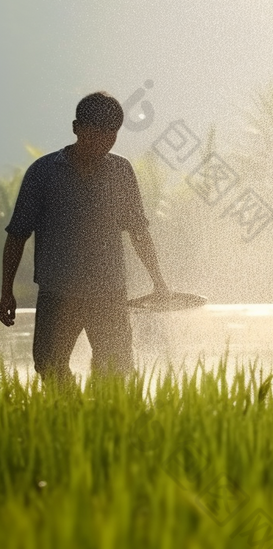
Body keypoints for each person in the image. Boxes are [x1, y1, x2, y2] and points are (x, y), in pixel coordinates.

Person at [0, 91, 169, 381]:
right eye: (95, 134)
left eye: (111, 135)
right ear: (77, 128)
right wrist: (6, 290)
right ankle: (73, 416)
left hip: (109, 294)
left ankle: (104, 423)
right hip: (58, 292)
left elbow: (138, 232)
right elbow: (17, 235)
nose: (102, 143)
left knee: (115, 374)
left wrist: (159, 281)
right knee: (49, 367)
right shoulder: (43, 173)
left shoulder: (121, 171)